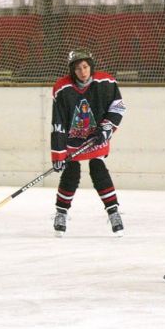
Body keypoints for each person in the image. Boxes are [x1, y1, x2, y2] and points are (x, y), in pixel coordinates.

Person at [51, 49, 127, 238]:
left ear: (91, 66)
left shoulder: (106, 82)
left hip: (96, 137)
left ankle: (113, 212)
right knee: (71, 171)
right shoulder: (62, 88)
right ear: (72, 71)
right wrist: (58, 154)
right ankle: (61, 212)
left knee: (97, 167)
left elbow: (118, 107)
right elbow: (58, 122)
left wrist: (106, 129)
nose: (83, 72)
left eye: (85, 67)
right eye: (78, 69)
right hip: (73, 140)